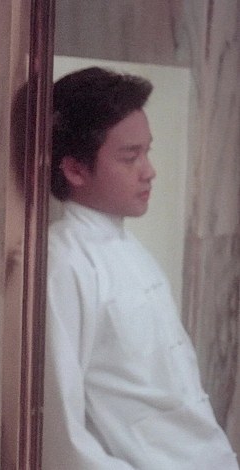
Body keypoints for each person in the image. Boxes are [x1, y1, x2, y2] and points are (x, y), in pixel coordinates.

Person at [43, 66, 238, 469]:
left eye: (147, 152)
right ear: (75, 169)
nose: (149, 171)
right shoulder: (63, 262)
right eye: (130, 157)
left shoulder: (134, 251)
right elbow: (61, 435)